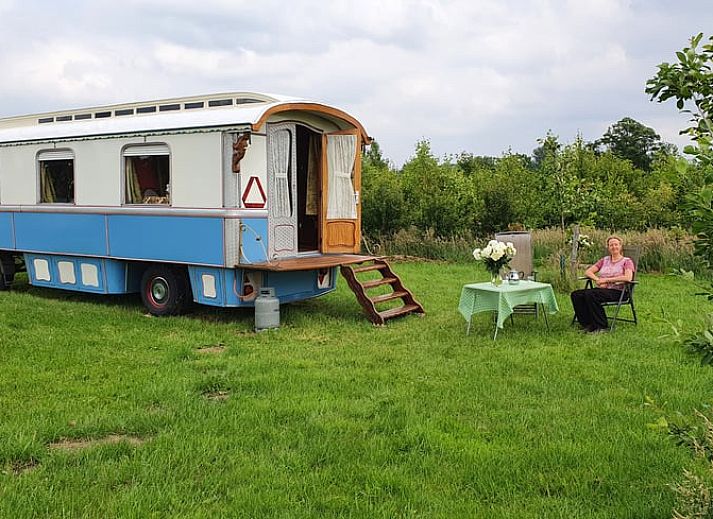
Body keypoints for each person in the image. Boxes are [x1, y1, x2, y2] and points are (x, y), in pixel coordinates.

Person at [571, 235, 635, 333]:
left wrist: (606, 280)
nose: (614, 247)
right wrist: (597, 280)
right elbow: (588, 272)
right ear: (608, 248)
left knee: (591, 294)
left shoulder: (627, 261)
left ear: (620, 246)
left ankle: (601, 326)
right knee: (576, 294)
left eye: (616, 244)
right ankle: (588, 324)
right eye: (611, 245)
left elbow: (628, 277)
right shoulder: (604, 260)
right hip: (602, 289)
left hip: (618, 291)